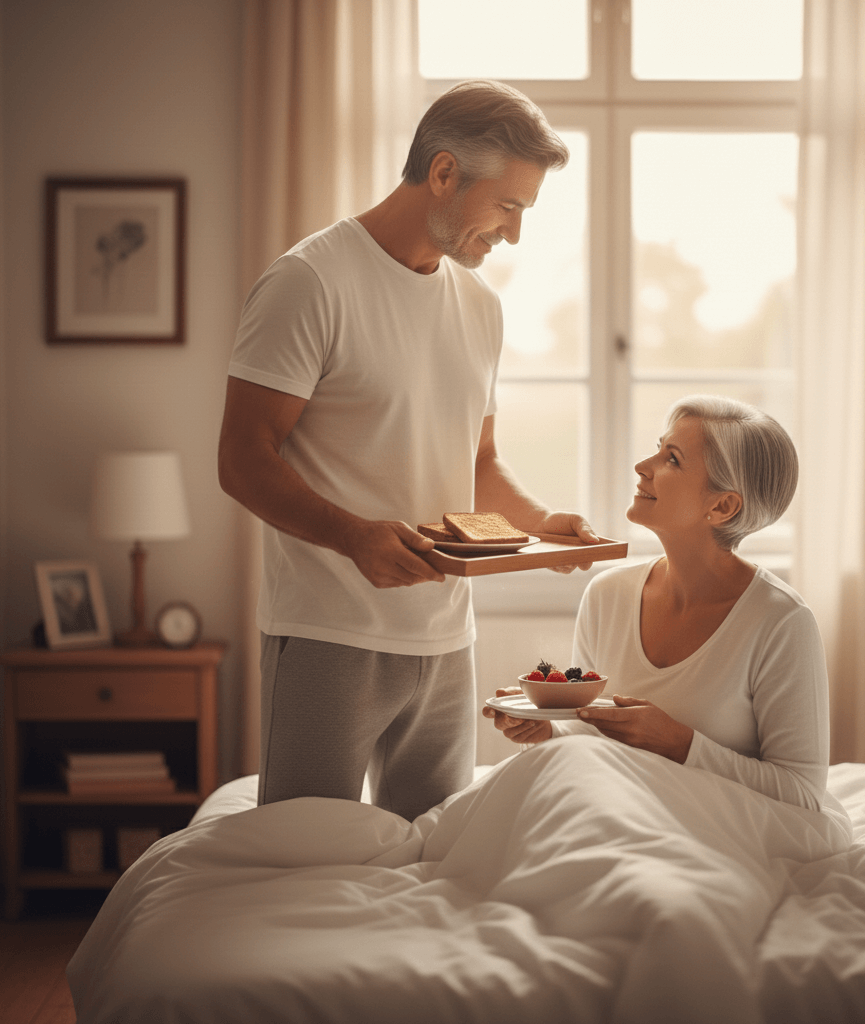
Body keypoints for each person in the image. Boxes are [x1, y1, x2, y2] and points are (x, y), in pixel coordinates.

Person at [218, 79, 598, 821]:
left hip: (447, 639)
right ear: (445, 173)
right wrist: (353, 536)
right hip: (327, 632)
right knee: (305, 855)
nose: (514, 234)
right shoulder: (309, 282)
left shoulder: (480, 306)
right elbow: (242, 460)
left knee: (435, 854)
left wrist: (542, 524)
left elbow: (478, 464)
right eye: (509, 206)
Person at [485, 394, 830, 812]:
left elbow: (802, 793)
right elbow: (590, 736)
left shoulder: (781, 622)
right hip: (615, 809)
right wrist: (546, 733)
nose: (643, 467)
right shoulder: (606, 595)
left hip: (716, 828)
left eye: (673, 459)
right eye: (658, 448)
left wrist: (680, 744)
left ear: (721, 505)